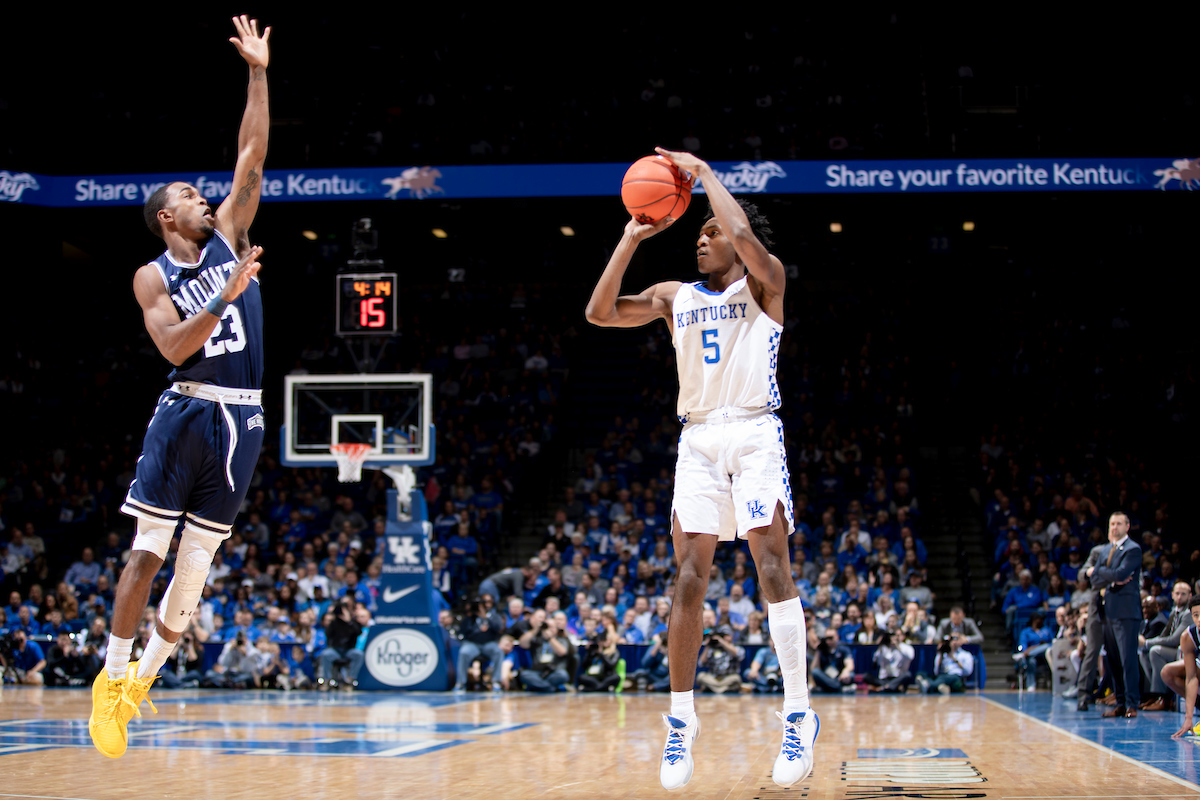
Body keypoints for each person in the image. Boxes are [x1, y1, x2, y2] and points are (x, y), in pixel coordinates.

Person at [586, 146, 815, 790]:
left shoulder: (765, 283)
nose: (701, 241)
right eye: (698, 234)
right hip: (698, 441)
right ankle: (680, 722)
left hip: (754, 432)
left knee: (772, 566)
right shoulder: (673, 296)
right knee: (689, 579)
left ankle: (798, 715)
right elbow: (599, 313)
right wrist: (631, 238)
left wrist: (706, 174)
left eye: (708, 232)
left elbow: (741, 231)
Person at [89, 15, 272, 760]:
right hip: (187, 413)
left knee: (193, 580)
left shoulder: (230, 234)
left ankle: (142, 684)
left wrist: (258, 72)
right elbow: (171, 345)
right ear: (168, 218)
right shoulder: (152, 274)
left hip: (245, 421)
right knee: (147, 553)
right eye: (193, 196)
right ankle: (108, 677)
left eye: (207, 193)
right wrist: (224, 298)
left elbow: (252, 158)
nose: (208, 199)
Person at [1086, 512, 1142, 718]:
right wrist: (1112, 578)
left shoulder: (1133, 549)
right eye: (1111, 523)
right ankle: (1119, 702)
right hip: (1107, 611)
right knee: (1113, 660)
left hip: (1126, 612)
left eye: (1118, 523)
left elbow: (1120, 574)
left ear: (1127, 526)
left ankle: (1132, 703)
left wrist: (1104, 574)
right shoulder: (1106, 549)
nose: (1114, 527)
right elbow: (1094, 580)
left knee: (1128, 659)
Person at [1160, 595, 1200, 738]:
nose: (1199, 619)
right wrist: (1188, 718)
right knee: (1167, 672)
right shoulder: (1188, 636)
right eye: (1196, 615)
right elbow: (1191, 678)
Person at [318, 597, 364, 691]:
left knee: (359, 654)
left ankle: (350, 679)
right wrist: (333, 619)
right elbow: (328, 634)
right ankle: (327, 680)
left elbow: (358, 632)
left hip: (348, 650)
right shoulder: (334, 623)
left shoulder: (353, 622)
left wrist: (349, 621)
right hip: (336, 650)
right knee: (326, 654)